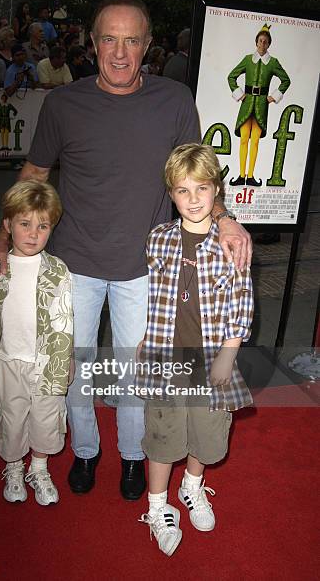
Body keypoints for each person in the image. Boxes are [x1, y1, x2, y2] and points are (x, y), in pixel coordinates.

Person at [0, 0, 252, 503]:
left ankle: (131, 456)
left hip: (144, 267)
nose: (120, 52)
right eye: (110, 38)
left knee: (133, 372)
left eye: (132, 40)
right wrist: (1, 239)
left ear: (148, 46)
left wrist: (227, 220)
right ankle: (85, 451)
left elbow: (197, 175)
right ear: (92, 43)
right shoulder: (63, 104)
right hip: (74, 266)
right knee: (76, 369)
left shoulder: (174, 100)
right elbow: (34, 177)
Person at [136, 144, 253, 555]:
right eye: (182, 191)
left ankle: (191, 486)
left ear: (215, 189)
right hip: (166, 358)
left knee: (206, 433)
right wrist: (145, 340)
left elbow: (242, 303)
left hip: (210, 360)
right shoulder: (158, 240)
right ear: (170, 193)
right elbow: (153, 297)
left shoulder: (231, 245)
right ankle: (156, 505)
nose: (193, 199)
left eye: (201, 189)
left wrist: (228, 353)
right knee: (163, 432)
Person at [0, 180, 73, 505]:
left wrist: (67, 361)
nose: (33, 233)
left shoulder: (58, 271)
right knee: (11, 417)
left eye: (42, 226)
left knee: (45, 418)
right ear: (8, 225)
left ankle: (38, 468)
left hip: (47, 363)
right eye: (24, 224)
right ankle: (13, 467)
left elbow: (66, 321)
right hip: (9, 362)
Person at [228, 24, 291, 187]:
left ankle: (250, 176)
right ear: (256, 42)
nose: (262, 44)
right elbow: (231, 76)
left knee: (254, 141)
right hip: (247, 103)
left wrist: (273, 97)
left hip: (261, 106)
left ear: (268, 44)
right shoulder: (248, 60)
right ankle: (241, 175)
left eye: (265, 42)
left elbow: (286, 80)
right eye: (260, 41)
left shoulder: (273, 62)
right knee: (243, 140)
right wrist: (239, 94)